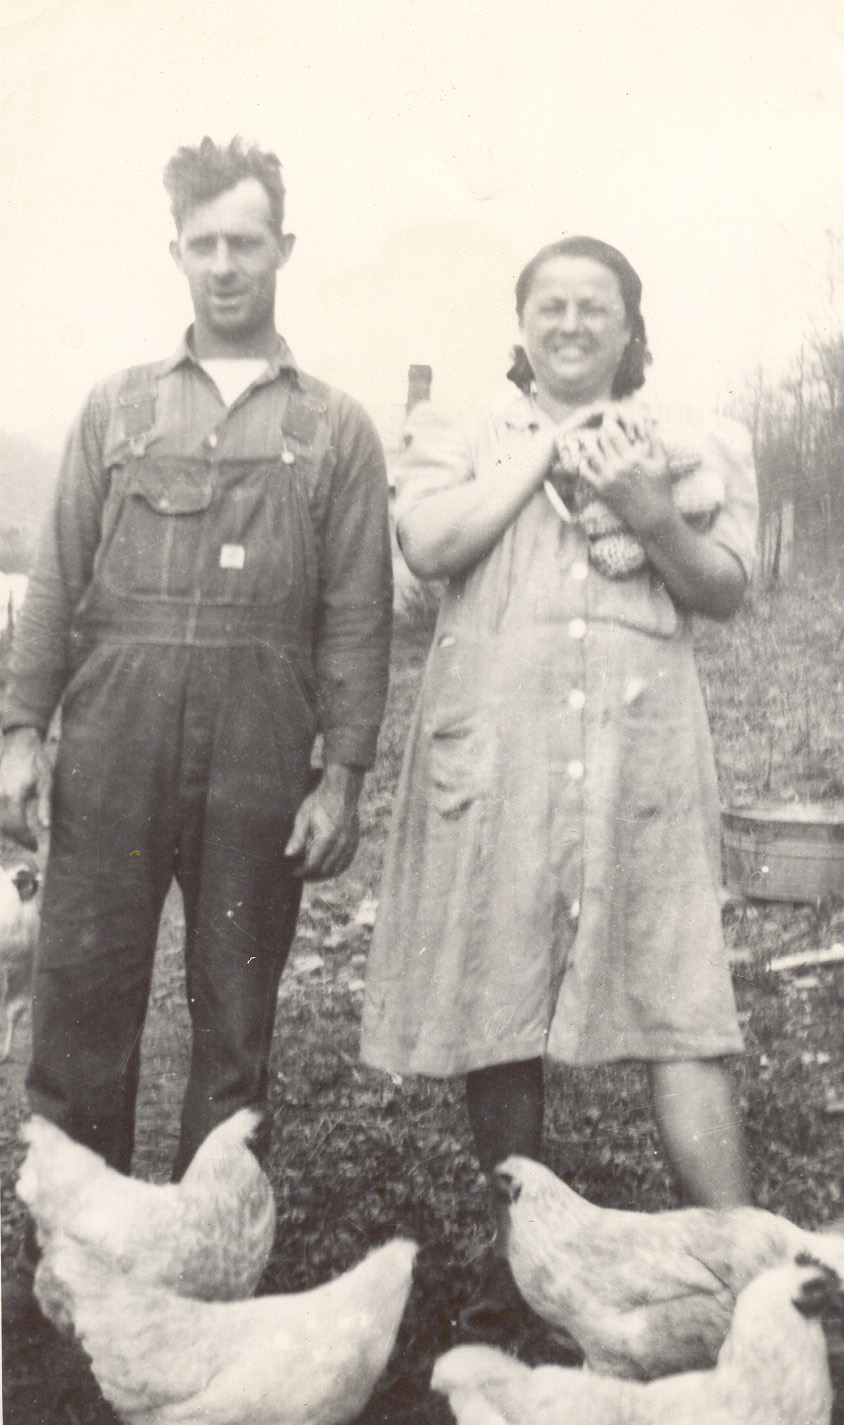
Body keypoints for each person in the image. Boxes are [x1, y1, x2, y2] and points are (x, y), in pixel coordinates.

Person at [360, 235, 758, 1331]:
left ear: (630, 328)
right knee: (498, 998)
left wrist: (647, 506)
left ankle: (745, 1258)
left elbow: (724, 588)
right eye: (552, 306)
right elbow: (429, 544)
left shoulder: (690, 438)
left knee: (679, 995)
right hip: (497, 748)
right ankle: (520, 1257)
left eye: (596, 307)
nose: (572, 325)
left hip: (641, 751)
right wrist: (540, 452)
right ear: (521, 323)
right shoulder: (459, 434)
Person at [0, 137, 393, 1179]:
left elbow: (358, 616)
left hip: (260, 750)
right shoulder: (116, 406)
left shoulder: (337, 427)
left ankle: (214, 1248)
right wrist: (21, 734)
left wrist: (342, 779)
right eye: (205, 243)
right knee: (81, 1002)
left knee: (234, 1014)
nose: (225, 265)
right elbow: (55, 582)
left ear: (283, 248)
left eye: (246, 243)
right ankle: (78, 1248)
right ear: (175, 250)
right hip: (114, 741)